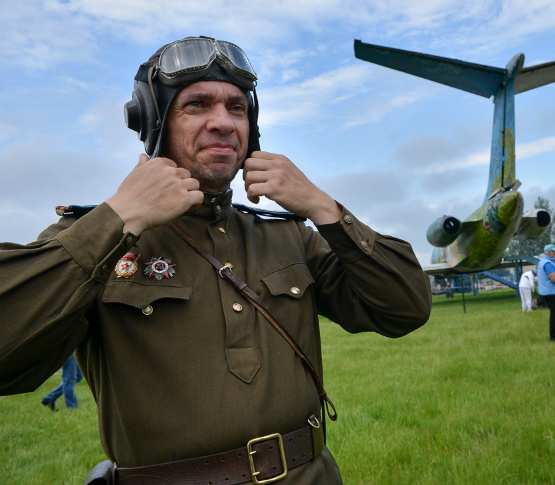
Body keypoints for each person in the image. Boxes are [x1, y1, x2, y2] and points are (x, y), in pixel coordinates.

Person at [0, 36, 431, 484]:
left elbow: (405, 308)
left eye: (237, 107)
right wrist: (119, 217)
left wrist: (324, 207)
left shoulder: (287, 235)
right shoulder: (93, 237)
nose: (222, 122)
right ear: (154, 121)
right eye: (197, 105)